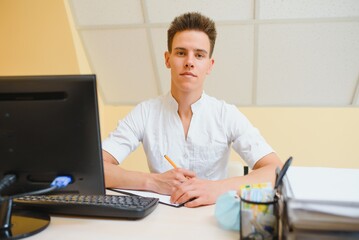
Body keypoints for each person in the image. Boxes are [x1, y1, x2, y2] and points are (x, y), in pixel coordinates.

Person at [102, 12, 283, 208]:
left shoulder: (226, 114)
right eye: (181, 53)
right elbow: (96, 168)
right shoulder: (145, 112)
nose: (189, 61)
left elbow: (276, 170)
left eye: (199, 55)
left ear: (209, 65)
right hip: (161, 221)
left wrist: (216, 188)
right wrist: (153, 181)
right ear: (167, 59)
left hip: (213, 219)